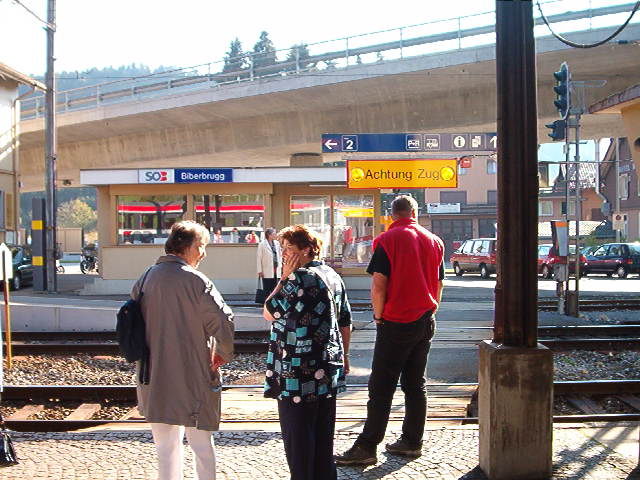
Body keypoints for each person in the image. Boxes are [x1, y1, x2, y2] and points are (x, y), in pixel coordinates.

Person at [336, 195, 445, 466]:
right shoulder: (435, 241)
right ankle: (412, 441)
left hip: (396, 321)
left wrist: (378, 316)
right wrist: (431, 310)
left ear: (393, 214)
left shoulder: (387, 240)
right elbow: (439, 283)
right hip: (425, 319)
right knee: (415, 384)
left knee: (381, 386)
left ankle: (367, 446)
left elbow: (379, 284)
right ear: (414, 213)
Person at [133, 220, 235, 480]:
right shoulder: (196, 281)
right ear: (189, 247)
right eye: (202, 246)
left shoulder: (145, 278)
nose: (203, 253)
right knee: (202, 445)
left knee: (165, 448)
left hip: (154, 373)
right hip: (193, 373)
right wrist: (222, 353)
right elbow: (223, 320)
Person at [263, 225, 352, 480]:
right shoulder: (331, 275)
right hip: (327, 369)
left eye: (289, 248)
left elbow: (269, 312)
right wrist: (345, 356)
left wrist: (283, 278)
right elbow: (345, 322)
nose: (284, 254)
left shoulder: (297, 279)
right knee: (323, 439)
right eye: (282, 248)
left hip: (296, 374)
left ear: (307, 249)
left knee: (299, 441)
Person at [256, 227, 282, 294]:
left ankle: (273, 300)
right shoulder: (262, 244)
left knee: (275, 289)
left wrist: (282, 266)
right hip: (266, 270)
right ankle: (267, 300)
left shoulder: (277, 243)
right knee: (267, 289)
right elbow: (259, 258)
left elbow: (280, 255)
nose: (275, 235)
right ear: (269, 235)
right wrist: (259, 270)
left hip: (277, 269)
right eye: (274, 233)